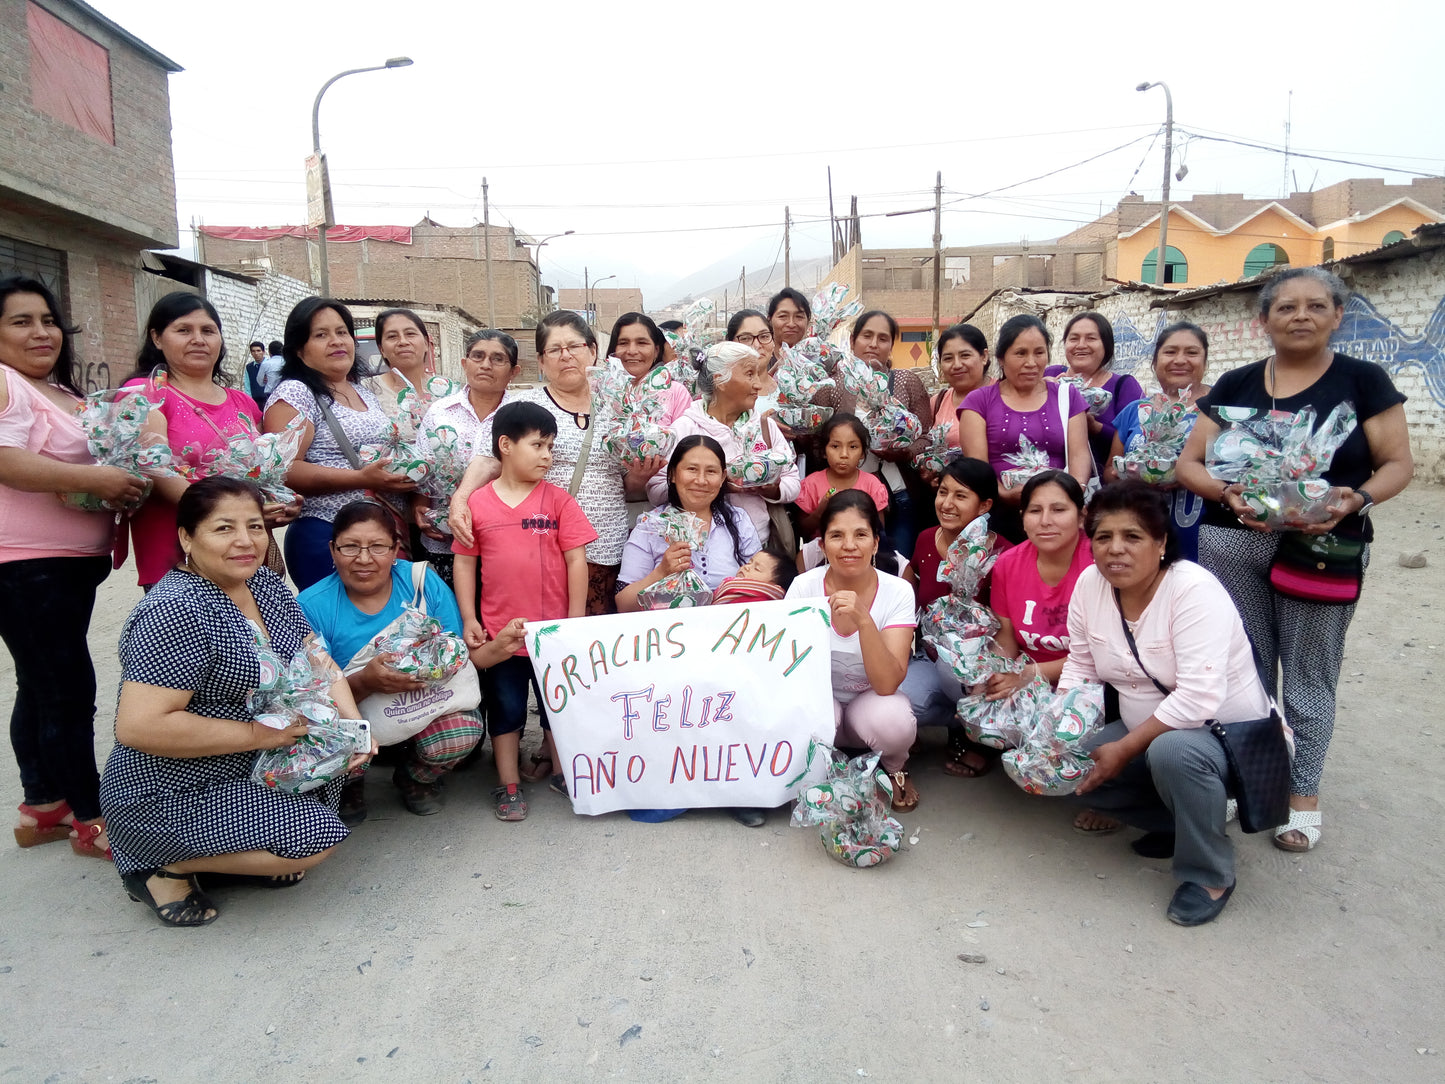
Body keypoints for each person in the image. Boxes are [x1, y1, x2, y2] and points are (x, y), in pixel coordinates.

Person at [1176, 266, 1413, 853]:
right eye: (1285, 307)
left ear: (1337, 315)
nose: (1300, 316)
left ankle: (1302, 797)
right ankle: (1249, 777)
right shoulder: (1235, 384)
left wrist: (1355, 499)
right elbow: (1190, 463)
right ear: (1264, 321)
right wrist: (1226, 494)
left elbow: (1397, 464)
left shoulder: (1363, 382)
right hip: (1235, 541)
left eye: (1315, 306)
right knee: (1243, 669)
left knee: (1308, 673)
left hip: (1322, 546)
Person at [100, 478, 374, 928]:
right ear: (187, 537)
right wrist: (257, 734)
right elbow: (139, 727)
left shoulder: (264, 584)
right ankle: (155, 864)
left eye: (256, 526)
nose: (245, 541)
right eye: (224, 528)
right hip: (171, 783)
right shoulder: (174, 610)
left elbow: (316, 656)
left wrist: (354, 725)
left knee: (334, 780)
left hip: (254, 759)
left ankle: (220, 854)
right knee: (318, 838)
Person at [1064, 482, 1275, 926]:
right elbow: (1081, 665)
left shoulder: (1193, 591)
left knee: (1173, 750)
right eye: (1103, 537)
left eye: (1133, 537)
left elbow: (1198, 698)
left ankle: (1209, 874)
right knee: (1070, 761)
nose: (1115, 550)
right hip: (1149, 732)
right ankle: (1177, 825)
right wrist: (1057, 730)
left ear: (1161, 543)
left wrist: (1123, 748)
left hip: (1228, 740)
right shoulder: (1089, 585)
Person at [0, 276, 145, 861]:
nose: (41, 332)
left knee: (40, 685)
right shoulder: (6, 384)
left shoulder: (55, 389)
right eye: (20, 321)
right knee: (68, 688)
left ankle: (44, 803)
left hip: (68, 565)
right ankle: (91, 817)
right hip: (26, 564)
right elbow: (6, 460)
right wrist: (96, 480)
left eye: (47, 319)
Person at [298, 501, 520, 821]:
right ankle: (349, 783)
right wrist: (365, 682)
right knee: (323, 734)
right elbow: (308, 699)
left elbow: (457, 656)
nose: (364, 558)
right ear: (333, 550)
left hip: (420, 705)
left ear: (396, 549)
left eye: (377, 547)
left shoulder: (420, 582)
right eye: (350, 547)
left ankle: (414, 776)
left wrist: (499, 647)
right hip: (353, 711)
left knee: (462, 732)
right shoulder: (310, 605)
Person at [448, 310, 660, 619]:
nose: (566, 356)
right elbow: (487, 458)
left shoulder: (620, 407)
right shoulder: (526, 405)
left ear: (593, 351)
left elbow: (626, 483)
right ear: (542, 361)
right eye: (554, 350)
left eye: (574, 347)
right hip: (540, 542)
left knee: (593, 645)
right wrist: (461, 498)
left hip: (607, 544)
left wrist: (641, 476)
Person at [451, 401, 596, 820]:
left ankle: (567, 773)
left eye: (551, 446)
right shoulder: (477, 504)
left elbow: (576, 560)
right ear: (506, 445)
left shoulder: (559, 502)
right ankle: (508, 784)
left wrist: (573, 622)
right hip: (501, 636)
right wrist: (469, 618)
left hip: (553, 636)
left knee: (558, 707)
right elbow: (465, 562)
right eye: (538, 445)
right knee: (507, 709)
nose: (547, 455)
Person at [121, 293, 299, 590]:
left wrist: (280, 500)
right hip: (178, 554)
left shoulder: (242, 402)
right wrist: (243, 511)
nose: (198, 339)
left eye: (207, 330)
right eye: (183, 330)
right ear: (156, 337)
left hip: (244, 555)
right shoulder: (145, 393)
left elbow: (262, 469)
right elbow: (156, 470)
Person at [263, 298, 416, 591]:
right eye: (321, 335)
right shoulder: (296, 393)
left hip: (379, 535)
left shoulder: (362, 392)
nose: (336, 342)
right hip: (328, 536)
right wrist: (361, 479)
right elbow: (283, 471)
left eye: (342, 332)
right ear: (299, 348)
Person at [785, 490, 920, 812]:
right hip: (822, 704)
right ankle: (817, 766)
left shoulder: (898, 590)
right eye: (836, 536)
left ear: (875, 543)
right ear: (822, 545)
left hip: (869, 703)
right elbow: (787, 670)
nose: (848, 546)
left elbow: (887, 684)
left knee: (895, 720)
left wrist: (863, 620)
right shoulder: (804, 587)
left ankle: (896, 767)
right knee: (800, 714)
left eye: (860, 535)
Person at [901, 456, 1010, 778]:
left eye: (960, 496)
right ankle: (961, 723)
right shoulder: (925, 539)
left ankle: (983, 734)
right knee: (904, 700)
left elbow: (1009, 625)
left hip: (982, 667)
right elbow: (909, 585)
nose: (947, 503)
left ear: (984, 505)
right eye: (942, 492)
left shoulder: (1003, 553)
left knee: (954, 670)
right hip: (931, 656)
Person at [646, 341, 800, 547]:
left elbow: (793, 480)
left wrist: (770, 489)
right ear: (720, 380)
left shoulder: (764, 426)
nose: (758, 384)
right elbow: (656, 489)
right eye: (749, 374)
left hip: (756, 548)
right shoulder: (686, 429)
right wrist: (714, 484)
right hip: (698, 549)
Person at [815, 310, 934, 558]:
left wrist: (905, 452)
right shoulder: (833, 385)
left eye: (882, 338)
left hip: (899, 492)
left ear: (891, 345)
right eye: (866, 336)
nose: (873, 344)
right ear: (852, 341)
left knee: (899, 567)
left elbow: (928, 434)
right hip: (849, 499)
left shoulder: (906, 382)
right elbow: (819, 439)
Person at [959, 314, 1092, 537]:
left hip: (1057, 515)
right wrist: (1002, 493)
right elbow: (977, 467)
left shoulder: (1067, 397)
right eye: (1021, 353)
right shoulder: (978, 402)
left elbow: (1079, 454)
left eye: (1039, 353)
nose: (1031, 363)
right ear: (1001, 358)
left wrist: (1071, 497)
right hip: (999, 517)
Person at [415, 329, 518, 585]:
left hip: (503, 536)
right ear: (465, 363)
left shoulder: (521, 414)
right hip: (444, 538)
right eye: (478, 356)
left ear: (514, 371)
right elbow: (422, 467)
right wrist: (418, 507)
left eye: (497, 359)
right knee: (451, 616)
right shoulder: (440, 412)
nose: (485, 365)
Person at [1104, 322, 1213, 561]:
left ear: (1205, 362)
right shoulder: (1135, 410)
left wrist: (1187, 473)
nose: (1180, 360)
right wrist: (1136, 472)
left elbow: (1234, 471)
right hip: (1138, 533)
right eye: (1170, 351)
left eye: (1192, 352)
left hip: (1202, 536)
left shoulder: (1219, 410)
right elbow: (1110, 471)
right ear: (1155, 361)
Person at [617, 435, 760, 612]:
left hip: (730, 629)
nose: (701, 480)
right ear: (672, 474)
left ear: (723, 477)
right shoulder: (650, 526)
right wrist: (661, 572)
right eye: (691, 469)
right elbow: (623, 604)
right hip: (669, 633)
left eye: (711, 471)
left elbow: (762, 584)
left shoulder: (738, 521)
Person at [987, 470, 1092, 695]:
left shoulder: (1098, 563)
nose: (1045, 521)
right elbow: (1006, 637)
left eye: (1059, 510)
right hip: (1025, 679)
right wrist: (996, 677)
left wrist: (1027, 675)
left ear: (1082, 517)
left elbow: (1102, 654)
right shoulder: (1007, 564)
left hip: (1089, 684)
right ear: (1023, 519)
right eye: (1035, 511)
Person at [1045, 311, 1144, 469]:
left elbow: (1136, 441)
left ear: (1106, 344)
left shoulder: (1123, 386)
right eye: (1074, 338)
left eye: (1091, 338)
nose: (1081, 345)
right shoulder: (1050, 375)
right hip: (1048, 479)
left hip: (1103, 485)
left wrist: (1095, 428)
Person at [794, 412, 889, 539]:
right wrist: (820, 512)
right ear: (824, 451)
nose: (844, 454)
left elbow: (878, 532)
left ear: (862, 453)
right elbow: (802, 531)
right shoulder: (811, 484)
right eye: (835, 446)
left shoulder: (872, 485)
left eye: (853, 446)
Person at [606, 312, 693, 424]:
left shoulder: (676, 393)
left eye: (642, 343)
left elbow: (688, 440)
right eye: (623, 343)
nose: (632, 351)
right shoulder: (600, 391)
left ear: (656, 351)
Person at [928, 323, 993, 456]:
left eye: (965, 355)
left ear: (984, 356)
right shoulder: (937, 403)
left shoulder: (1004, 395)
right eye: (948, 358)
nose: (957, 365)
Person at [369, 307, 455, 407]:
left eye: (410, 334)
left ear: (426, 343)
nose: (403, 342)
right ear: (382, 350)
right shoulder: (368, 390)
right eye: (392, 336)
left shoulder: (447, 391)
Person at [724, 309, 779, 415]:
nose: (757, 345)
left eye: (764, 336)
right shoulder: (721, 394)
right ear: (730, 344)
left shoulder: (790, 389)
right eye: (746, 338)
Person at [712, 544, 798, 604]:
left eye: (757, 568)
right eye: (749, 562)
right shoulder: (727, 590)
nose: (746, 567)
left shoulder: (760, 604)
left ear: (773, 586)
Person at [244, 341, 266, 407]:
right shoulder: (249, 367)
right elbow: (247, 385)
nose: (256, 353)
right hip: (255, 401)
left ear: (263, 352)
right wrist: (249, 401)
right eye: (253, 351)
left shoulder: (270, 365)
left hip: (268, 399)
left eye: (258, 350)